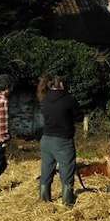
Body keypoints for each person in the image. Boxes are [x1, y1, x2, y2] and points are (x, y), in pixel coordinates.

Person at [38, 73, 82, 206]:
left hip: (46, 139)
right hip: (63, 140)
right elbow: (79, 117)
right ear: (61, 84)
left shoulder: (44, 99)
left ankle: (44, 198)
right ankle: (67, 200)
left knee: (46, 169)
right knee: (67, 169)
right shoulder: (69, 100)